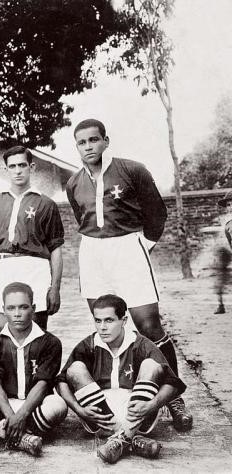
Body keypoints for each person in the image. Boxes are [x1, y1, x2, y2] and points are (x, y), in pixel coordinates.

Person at [65, 118, 192, 431]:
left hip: (128, 247)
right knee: (104, 324)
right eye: (82, 143)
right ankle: (109, 394)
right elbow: (82, 218)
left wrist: (141, 246)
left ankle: (173, 397)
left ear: (106, 140)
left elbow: (157, 213)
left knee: (148, 324)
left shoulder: (131, 170)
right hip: (93, 253)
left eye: (94, 140)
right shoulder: (73, 183)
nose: (88, 147)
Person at [56, 294, 186, 464]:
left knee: (151, 365)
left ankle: (122, 438)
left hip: (138, 413)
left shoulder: (142, 345)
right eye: (98, 321)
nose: (102, 327)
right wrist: (78, 410)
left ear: (124, 320)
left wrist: (152, 405)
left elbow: (172, 384)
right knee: (75, 369)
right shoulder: (89, 345)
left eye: (109, 321)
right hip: (101, 415)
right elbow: (61, 382)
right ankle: (130, 439)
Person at [0, 282, 67, 456]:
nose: (17, 314)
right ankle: (22, 438)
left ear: (33, 308)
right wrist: (10, 416)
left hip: (33, 406)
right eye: (11, 308)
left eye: (23, 307)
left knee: (58, 405)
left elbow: (43, 384)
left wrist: (21, 415)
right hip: (1, 406)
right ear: (4, 310)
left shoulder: (50, 342)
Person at [0, 146, 64, 331]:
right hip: (3, 267)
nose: (17, 171)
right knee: (0, 331)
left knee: (35, 332)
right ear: (6, 169)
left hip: (35, 268)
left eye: (22, 165)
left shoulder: (46, 204)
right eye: (12, 166)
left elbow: (56, 249)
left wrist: (55, 287)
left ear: (31, 167)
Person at [214, 190, 232, 314]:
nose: (230, 207)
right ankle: (220, 305)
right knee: (219, 280)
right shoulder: (228, 225)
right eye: (229, 204)